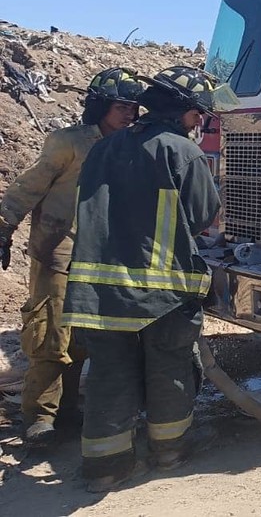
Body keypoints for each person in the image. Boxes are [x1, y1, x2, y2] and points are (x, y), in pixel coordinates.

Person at [61, 66, 222, 492]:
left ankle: (105, 467)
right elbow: (204, 215)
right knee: (168, 366)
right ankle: (169, 451)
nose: (199, 123)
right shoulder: (183, 153)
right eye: (196, 115)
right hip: (162, 291)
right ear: (182, 112)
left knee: (109, 372)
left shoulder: (103, 148)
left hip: (98, 289)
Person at [0, 67, 145, 446]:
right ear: (100, 106)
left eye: (132, 107)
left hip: (99, 254)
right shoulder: (69, 143)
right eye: (120, 106)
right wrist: (4, 225)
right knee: (50, 334)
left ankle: (67, 410)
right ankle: (39, 418)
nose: (128, 113)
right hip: (57, 249)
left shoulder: (131, 147)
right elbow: (28, 186)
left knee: (82, 337)